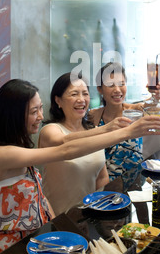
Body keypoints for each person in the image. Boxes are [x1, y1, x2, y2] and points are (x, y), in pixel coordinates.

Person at [0, 79, 160, 254]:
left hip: (38, 239)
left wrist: (58, 224)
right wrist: (126, 133)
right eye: (34, 111)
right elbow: (65, 150)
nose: (40, 116)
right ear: (13, 115)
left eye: (41, 108)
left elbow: (38, 197)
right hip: (10, 250)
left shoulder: (20, 150)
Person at [38, 73, 113, 215]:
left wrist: (101, 209)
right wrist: (105, 129)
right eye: (74, 94)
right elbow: (64, 143)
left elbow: (102, 177)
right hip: (57, 217)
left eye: (85, 94)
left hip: (89, 214)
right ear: (58, 101)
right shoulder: (50, 130)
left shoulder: (94, 131)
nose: (81, 100)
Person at [89, 62, 144, 188]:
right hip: (104, 189)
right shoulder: (93, 116)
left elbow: (152, 106)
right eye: (110, 85)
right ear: (100, 89)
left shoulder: (135, 113)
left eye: (122, 84)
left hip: (135, 187)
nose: (117, 90)